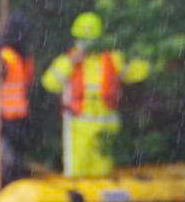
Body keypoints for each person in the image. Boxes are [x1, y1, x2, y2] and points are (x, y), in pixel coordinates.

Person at [41, 12, 149, 178]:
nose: (85, 45)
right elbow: (49, 83)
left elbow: (140, 71)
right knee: (76, 174)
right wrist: (70, 62)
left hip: (105, 128)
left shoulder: (113, 59)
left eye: (89, 40)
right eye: (82, 40)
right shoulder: (68, 61)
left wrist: (150, 55)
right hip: (78, 126)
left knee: (102, 176)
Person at [0, 11, 37, 164]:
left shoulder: (23, 56)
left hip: (18, 121)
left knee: (14, 161)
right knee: (2, 162)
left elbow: (27, 87)